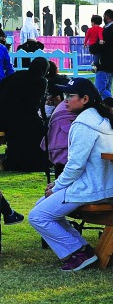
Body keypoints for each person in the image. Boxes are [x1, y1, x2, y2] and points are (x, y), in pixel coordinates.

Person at [27, 78, 113, 272]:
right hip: (101, 185)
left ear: (85, 99)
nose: (66, 100)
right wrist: (58, 186)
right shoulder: (102, 119)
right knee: (42, 208)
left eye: (70, 96)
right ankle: (82, 249)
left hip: (92, 188)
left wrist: (57, 187)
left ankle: (79, 252)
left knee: (38, 216)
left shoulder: (84, 124)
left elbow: (75, 166)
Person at [0, 57, 49, 172]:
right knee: (37, 130)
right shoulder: (40, 81)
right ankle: (32, 164)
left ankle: (14, 161)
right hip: (17, 118)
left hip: (0, 116)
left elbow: (0, 89)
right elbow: (31, 105)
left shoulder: (18, 75)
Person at [91, 9, 113, 100]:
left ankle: (111, 104)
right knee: (107, 88)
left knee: (100, 89)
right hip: (110, 65)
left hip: (104, 63)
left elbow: (101, 45)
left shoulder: (107, 30)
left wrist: (92, 48)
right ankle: (108, 109)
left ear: (107, 17)